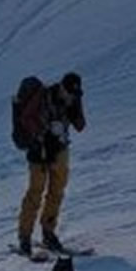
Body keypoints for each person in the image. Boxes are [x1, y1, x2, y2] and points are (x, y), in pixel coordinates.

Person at [18, 71, 86, 254]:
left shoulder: (73, 100)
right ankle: (24, 236)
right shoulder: (43, 95)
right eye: (69, 92)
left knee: (57, 191)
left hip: (60, 149)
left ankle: (48, 232)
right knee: (35, 192)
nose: (70, 96)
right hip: (39, 149)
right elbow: (26, 118)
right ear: (61, 86)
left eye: (75, 94)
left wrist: (76, 107)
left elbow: (80, 126)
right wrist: (43, 134)